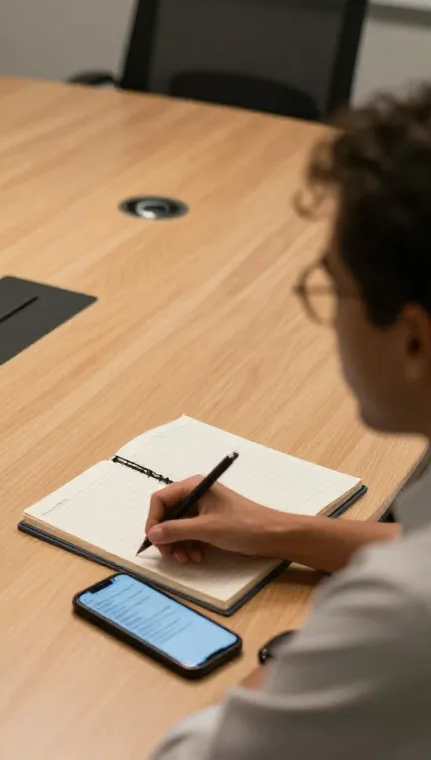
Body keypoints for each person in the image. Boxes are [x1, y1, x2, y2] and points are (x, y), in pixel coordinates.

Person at [149, 87, 431, 759]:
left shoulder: (401, 616)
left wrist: (302, 662)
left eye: (334, 288)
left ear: (414, 341)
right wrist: (278, 531)